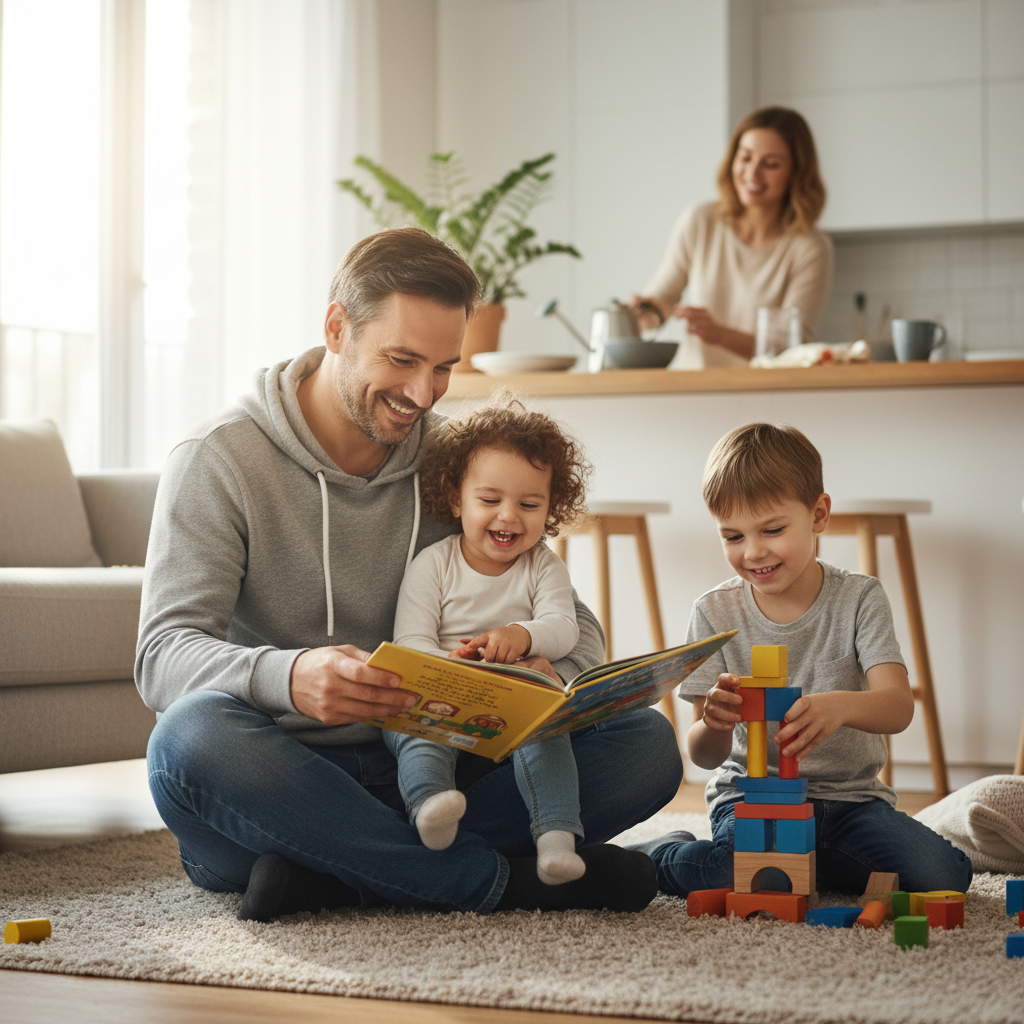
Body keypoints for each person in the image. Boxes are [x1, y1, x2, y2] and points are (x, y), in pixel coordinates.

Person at [136, 226, 680, 923]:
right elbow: (162, 658)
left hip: (443, 769)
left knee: (645, 745)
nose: (424, 393)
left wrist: (548, 663)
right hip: (288, 778)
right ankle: (499, 882)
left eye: (445, 367)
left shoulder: (453, 462)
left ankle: (343, 877)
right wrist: (290, 676)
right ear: (337, 328)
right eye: (402, 359)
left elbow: (579, 629)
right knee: (188, 740)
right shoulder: (219, 460)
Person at [629, 423, 972, 898]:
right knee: (742, 880)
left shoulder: (859, 597)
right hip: (751, 800)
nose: (753, 552)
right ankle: (661, 853)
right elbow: (704, 755)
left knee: (942, 878)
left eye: (772, 530)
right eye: (732, 536)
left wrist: (840, 707)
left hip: (851, 804)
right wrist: (714, 722)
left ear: (819, 514)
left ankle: (813, 863)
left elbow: (897, 707)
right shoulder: (713, 611)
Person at [385, 397, 591, 885]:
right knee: (414, 732)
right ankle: (431, 804)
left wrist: (521, 636)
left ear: (551, 508)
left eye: (529, 504)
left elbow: (565, 627)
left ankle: (556, 840)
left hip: (515, 702)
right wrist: (452, 666)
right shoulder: (433, 564)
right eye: (489, 499)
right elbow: (410, 643)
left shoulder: (543, 565)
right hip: (439, 694)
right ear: (457, 499)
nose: (508, 517)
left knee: (549, 732)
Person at [629, 107, 834, 360]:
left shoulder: (810, 248)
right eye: (745, 158)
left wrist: (718, 335)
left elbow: (790, 348)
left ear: (797, 173)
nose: (752, 173)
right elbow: (662, 300)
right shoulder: (701, 221)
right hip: (694, 389)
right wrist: (638, 314)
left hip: (768, 396)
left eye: (770, 164)